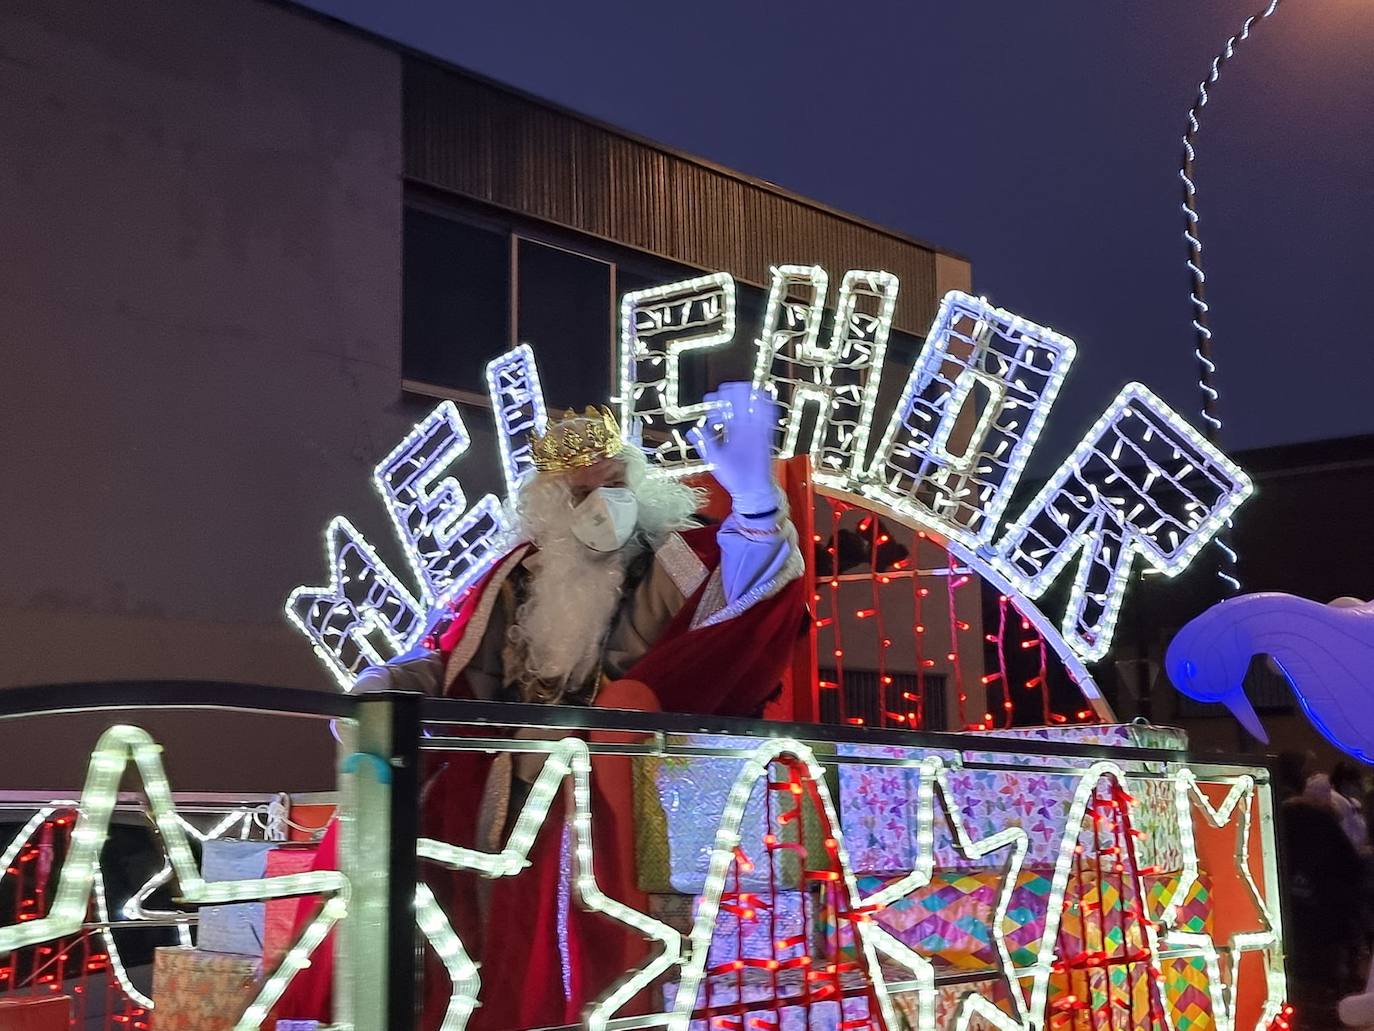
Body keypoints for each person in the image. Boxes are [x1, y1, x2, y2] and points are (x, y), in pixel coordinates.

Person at [277, 383, 807, 1029]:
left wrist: (755, 502)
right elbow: (456, 664)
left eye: (614, 483)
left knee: (566, 936)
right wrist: (386, 681)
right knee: (403, 849)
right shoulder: (517, 574)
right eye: (582, 492)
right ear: (553, 505)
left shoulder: (677, 558)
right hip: (503, 790)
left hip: (614, 790)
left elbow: (744, 606)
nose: (602, 503)